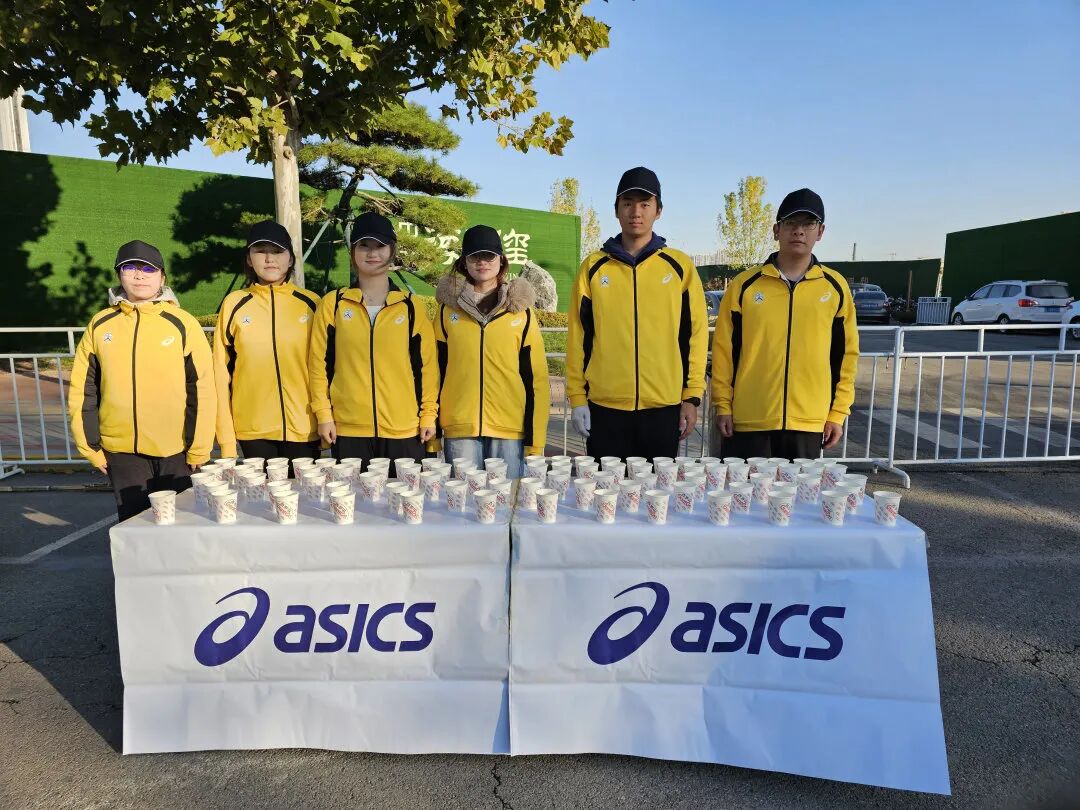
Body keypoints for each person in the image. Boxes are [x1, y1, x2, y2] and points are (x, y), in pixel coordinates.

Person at [565, 166, 708, 459]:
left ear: (659, 210)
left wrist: (691, 397)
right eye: (628, 204)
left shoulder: (679, 267)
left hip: (663, 408)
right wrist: (577, 398)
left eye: (645, 204)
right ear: (616, 210)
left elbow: (694, 334)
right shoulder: (593, 267)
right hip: (605, 408)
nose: (636, 212)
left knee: (657, 487)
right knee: (604, 487)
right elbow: (578, 336)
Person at [68, 240, 215, 520]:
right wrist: (91, 447)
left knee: (180, 525)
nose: (139, 275)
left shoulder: (183, 323)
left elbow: (202, 388)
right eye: (130, 268)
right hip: (121, 452)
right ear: (119, 275)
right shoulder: (100, 324)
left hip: (176, 450)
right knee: (134, 526)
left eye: (148, 269)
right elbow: (83, 390)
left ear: (162, 277)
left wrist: (199, 447)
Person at [711, 188, 859, 460]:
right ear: (776, 230)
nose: (799, 231)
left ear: (820, 231)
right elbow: (724, 351)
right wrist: (723, 404)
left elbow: (845, 356)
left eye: (808, 224)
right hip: (750, 419)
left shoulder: (835, 287)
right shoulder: (745, 285)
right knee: (746, 489)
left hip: (808, 421)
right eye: (791, 222)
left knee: (800, 490)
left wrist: (838, 412)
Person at [308, 211, 439, 470]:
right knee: (353, 496)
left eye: (380, 246)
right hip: (348, 428)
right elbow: (318, 366)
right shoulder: (333, 304)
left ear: (392, 251)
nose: (372, 253)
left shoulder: (410, 306)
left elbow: (426, 368)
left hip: (404, 428)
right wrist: (323, 414)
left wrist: (428, 415)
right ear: (353, 251)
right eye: (364, 245)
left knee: (405, 494)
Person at [433, 224, 549, 479]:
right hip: (460, 427)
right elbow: (435, 372)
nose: (482, 262)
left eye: (489, 255)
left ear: (501, 260)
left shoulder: (521, 313)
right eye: (475, 256)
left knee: (506, 499)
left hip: (509, 428)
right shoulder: (446, 312)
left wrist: (536, 439)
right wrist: (433, 430)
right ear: (464, 261)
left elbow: (536, 378)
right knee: (463, 500)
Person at [213, 220, 321, 464]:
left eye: (278, 251)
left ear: (290, 259)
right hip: (253, 430)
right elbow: (219, 372)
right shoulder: (234, 304)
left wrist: (326, 418)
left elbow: (328, 367)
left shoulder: (312, 303)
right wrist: (226, 439)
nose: (270, 259)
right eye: (261, 251)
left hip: (305, 426)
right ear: (249, 259)